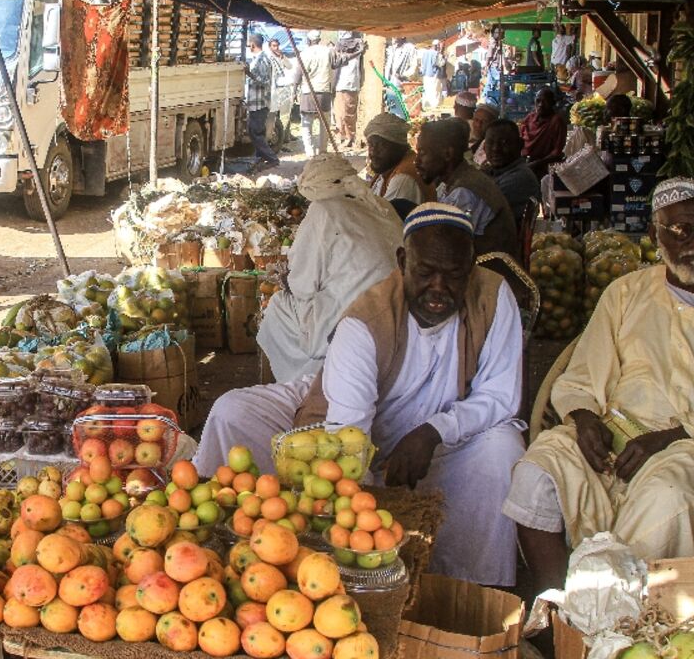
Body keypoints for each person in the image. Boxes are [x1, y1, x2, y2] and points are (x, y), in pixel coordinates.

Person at [196, 203, 526, 587]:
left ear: (471, 267)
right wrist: (364, 523)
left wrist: (433, 431)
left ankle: (471, 585)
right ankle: (226, 550)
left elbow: (501, 396)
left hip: (446, 434)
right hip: (342, 411)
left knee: (503, 447)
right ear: (403, 262)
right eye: (425, 272)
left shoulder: (494, 296)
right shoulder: (366, 321)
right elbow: (347, 439)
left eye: (453, 275)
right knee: (232, 411)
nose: (439, 288)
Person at [504, 178, 694, 592]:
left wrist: (667, 439)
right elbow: (583, 374)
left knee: (666, 495)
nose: (693, 240)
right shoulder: (626, 293)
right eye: (678, 230)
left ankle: (624, 622)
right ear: (654, 236)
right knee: (538, 469)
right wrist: (584, 419)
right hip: (614, 439)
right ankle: (561, 614)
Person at [257, 154, 404, 383]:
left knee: (277, 307)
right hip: (396, 310)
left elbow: (302, 286)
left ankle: (301, 383)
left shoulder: (323, 209)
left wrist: (286, 279)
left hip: (352, 317)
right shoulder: (381, 205)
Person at [416, 119, 519, 259]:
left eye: (422, 153)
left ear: (448, 154)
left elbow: (447, 253)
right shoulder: (456, 182)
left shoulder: (465, 192)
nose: (416, 161)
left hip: (490, 276)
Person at [289, 30, 342, 157]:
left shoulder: (304, 53)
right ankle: (323, 150)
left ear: (308, 40)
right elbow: (336, 65)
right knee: (325, 123)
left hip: (308, 92)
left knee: (307, 123)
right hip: (324, 92)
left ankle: (309, 151)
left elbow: (298, 74)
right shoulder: (328, 51)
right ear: (319, 39)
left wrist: (294, 91)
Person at [482, 119, 540, 222]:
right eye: (490, 143)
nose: (495, 149)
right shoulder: (495, 171)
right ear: (484, 147)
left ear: (520, 144)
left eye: (504, 143)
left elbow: (477, 210)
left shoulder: (520, 178)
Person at [364, 113, 423, 206]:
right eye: (371, 144)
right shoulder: (387, 168)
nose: (373, 152)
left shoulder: (404, 178)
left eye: (381, 145)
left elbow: (384, 217)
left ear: (399, 146)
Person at [244, 34, 280, 170]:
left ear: (252, 45)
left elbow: (264, 81)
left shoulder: (263, 60)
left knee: (255, 132)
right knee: (257, 132)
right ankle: (259, 158)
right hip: (255, 103)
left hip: (260, 104)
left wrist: (250, 74)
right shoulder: (257, 59)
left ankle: (272, 158)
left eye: (248, 45)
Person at [332, 31, 367, 148]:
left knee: (348, 113)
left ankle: (349, 137)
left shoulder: (358, 51)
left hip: (351, 85)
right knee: (338, 113)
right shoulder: (339, 51)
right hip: (338, 85)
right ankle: (340, 136)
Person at [520, 87, 566, 174]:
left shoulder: (556, 121)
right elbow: (520, 140)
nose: (541, 104)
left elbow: (557, 152)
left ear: (553, 103)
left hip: (545, 168)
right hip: (526, 163)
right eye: (538, 101)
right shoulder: (530, 118)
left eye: (545, 101)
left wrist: (537, 163)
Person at [268, 38, 295, 143]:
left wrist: (282, 57)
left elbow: (289, 66)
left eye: (277, 46)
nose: (276, 48)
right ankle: (279, 137)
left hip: (283, 87)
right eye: (274, 46)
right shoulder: (269, 58)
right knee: (274, 115)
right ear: (270, 47)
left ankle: (286, 136)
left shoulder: (280, 57)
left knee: (286, 114)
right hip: (274, 88)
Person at [469, 101, 501, 165]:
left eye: (484, 121)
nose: (478, 125)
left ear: (493, 123)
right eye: (476, 120)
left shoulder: (493, 147)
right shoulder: (477, 142)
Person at [420, 40, 446, 110]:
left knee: (427, 91)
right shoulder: (437, 54)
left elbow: (422, 65)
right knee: (435, 92)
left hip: (425, 75)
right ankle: (435, 107)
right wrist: (443, 55)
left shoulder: (425, 53)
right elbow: (441, 63)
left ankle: (426, 106)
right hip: (434, 75)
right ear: (437, 46)